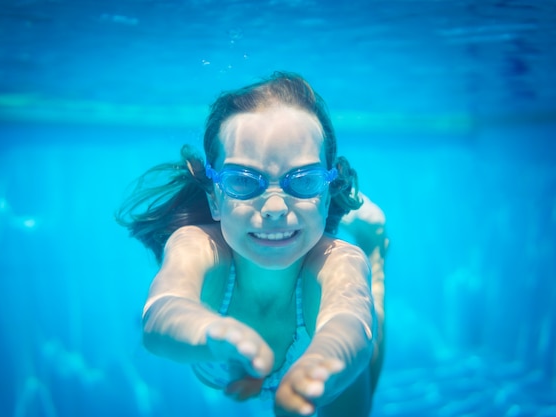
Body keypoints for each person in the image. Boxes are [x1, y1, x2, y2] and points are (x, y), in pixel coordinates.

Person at [116, 72, 387, 417]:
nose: (274, 208)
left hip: (328, 364)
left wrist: (320, 363)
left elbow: (354, 326)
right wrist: (211, 332)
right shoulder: (196, 246)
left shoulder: (337, 260)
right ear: (215, 198)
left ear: (326, 193)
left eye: (303, 181)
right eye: (243, 182)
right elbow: (160, 315)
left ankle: (377, 247)